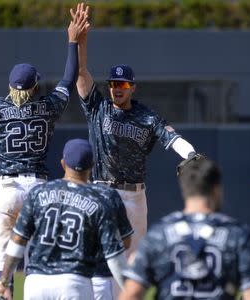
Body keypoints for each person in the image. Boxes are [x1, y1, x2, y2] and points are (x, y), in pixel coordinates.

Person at [0, 3, 90, 289]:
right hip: (38, 190)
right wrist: (73, 41)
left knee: (3, 259)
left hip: (7, 190)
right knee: (37, 257)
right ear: (35, 85)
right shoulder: (48, 106)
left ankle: (4, 291)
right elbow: (68, 78)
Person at [75, 12, 198, 257]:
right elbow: (80, 72)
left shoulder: (147, 116)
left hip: (134, 196)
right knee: (100, 259)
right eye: (113, 84)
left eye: (122, 85)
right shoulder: (98, 107)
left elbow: (171, 137)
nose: (116, 89)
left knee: (134, 262)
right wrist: (81, 40)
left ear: (132, 87)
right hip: (103, 190)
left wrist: (191, 153)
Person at [0, 138, 128, 300]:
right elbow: (114, 257)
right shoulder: (99, 200)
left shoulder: (38, 193)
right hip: (75, 282)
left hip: (36, 283)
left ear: (63, 163)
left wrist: (3, 282)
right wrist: (130, 290)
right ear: (92, 166)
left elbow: (17, 241)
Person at [119, 157, 250, 300]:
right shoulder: (238, 235)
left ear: (185, 190)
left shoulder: (158, 234)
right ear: (216, 189)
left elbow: (132, 294)